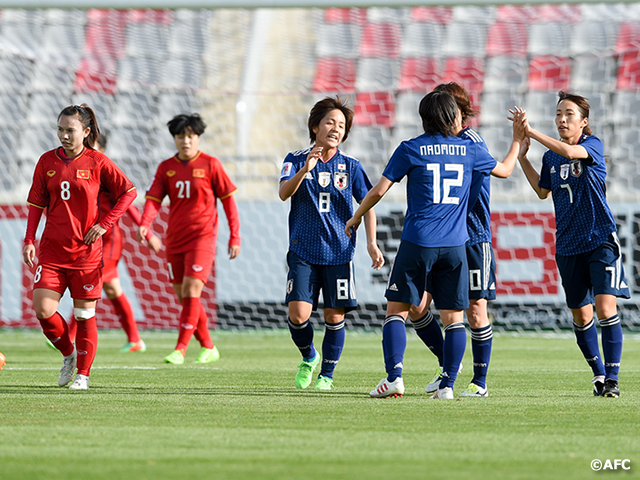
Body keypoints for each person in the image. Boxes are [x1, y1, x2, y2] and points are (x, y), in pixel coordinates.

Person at [345, 90, 524, 399]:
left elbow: (377, 191)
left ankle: (394, 378)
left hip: (418, 241)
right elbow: (505, 170)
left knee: (396, 311)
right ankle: (448, 386)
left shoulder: (410, 149)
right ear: (451, 117)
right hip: (456, 245)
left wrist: (356, 217)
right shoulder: (469, 150)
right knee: (454, 317)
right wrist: (518, 141)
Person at [410, 82, 520, 398]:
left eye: (450, 110)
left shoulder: (471, 143)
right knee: (416, 305)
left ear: (460, 113)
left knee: (475, 307)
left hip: (472, 237)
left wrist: (515, 144)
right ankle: (449, 364)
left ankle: (479, 382)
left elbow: (476, 190)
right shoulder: (435, 145)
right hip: (439, 239)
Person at [515, 91, 629, 398]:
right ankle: (598, 375)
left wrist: (531, 132)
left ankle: (614, 379)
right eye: (558, 114)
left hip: (598, 238)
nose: (562, 120)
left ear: (584, 122)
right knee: (581, 315)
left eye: (568, 114)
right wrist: (523, 155)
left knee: (605, 308)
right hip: (567, 243)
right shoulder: (550, 156)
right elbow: (543, 192)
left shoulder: (592, 145)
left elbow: (570, 153)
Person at [23, 104, 137, 390]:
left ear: (86, 132)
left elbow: (128, 192)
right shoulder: (46, 161)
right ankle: (69, 355)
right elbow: (36, 204)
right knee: (43, 309)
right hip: (51, 250)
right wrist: (28, 239)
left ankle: (83, 376)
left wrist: (105, 224)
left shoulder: (98, 162)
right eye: (60, 129)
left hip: (86, 253)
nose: (63, 135)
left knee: (84, 315)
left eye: (70, 130)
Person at [279, 96, 384, 391]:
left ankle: (327, 375)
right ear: (315, 127)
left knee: (333, 315)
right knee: (298, 315)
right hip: (302, 250)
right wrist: (305, 170)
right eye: (330, 122)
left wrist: (371, 243)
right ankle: (309, 356)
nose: (336, 128)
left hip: (339, 252)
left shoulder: (351, 166)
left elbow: (369, 203)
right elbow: (284, 193)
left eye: (341, 125)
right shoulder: (295, 159)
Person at [138, 113, 240, 364]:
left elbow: (229, 203)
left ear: (198, 137)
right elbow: (153, 201)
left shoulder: (211, 164)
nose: (186, 140)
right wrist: (145, 224)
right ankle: (208, 346)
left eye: (191, 136)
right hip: (174, 239)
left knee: (192, 290)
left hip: (203, 238)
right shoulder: (166, 168)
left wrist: (234, 236)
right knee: (185, 296)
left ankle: (180, 349)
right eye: (181, 136)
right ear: (174, 138)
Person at [95, 133, 162, 352]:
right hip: (91, 240)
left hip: (109, 240)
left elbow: (129, 204)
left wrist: (147, 231)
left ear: (102, 150)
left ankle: (68, 334)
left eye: (91, 145)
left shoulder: (107, 173)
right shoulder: (81, 172)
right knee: (112, 289)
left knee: (90, 282)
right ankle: (135, 339)